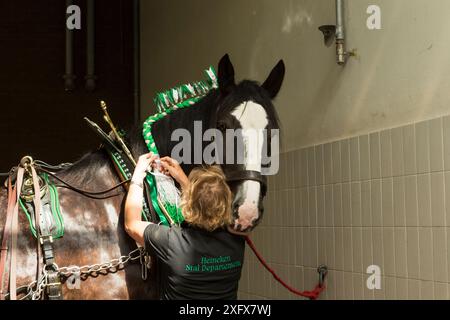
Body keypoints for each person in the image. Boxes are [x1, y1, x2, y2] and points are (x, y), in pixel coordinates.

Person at [124, 153, 245, 300]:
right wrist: (181, 177)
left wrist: (137, 178)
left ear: (188, 204)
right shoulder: (237, 240)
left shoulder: (172, 242)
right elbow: (207, 204)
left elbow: (131, 224)